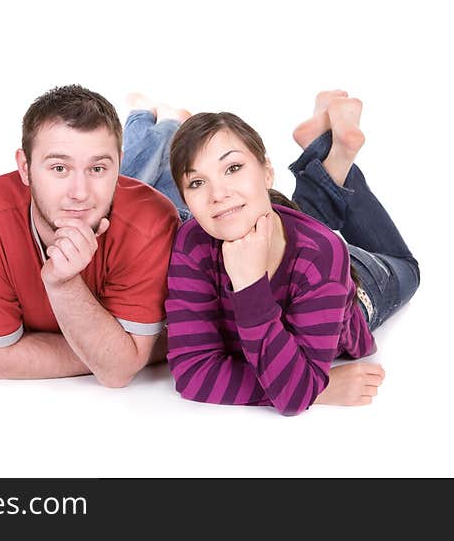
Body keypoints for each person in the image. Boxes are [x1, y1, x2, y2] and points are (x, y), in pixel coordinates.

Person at [152, 91, 420, 415]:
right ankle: (324, 153)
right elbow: (193, 373)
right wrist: (315, 388)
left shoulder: (322, 254)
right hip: (287, 233)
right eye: (197, 183)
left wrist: (249, 286)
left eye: (233, 167)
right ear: (185, 199)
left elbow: (293, 397)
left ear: (267, 172)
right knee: (277, 217)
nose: (218, 193)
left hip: (354, 289)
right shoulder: (193, 241)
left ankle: (336, 159)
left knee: (407, 269)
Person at [0, 85, 181, 387]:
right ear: (25, 167)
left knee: (175, 177)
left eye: (98, 168)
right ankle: (148, 116)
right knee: (135, 178)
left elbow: (117, 372)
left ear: (117, 167)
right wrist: (124, 350)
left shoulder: (152, 221)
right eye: (59, 167)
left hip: (145, 204)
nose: (79, 193)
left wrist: (64, 284)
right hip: (123, 198)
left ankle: (168, 123)